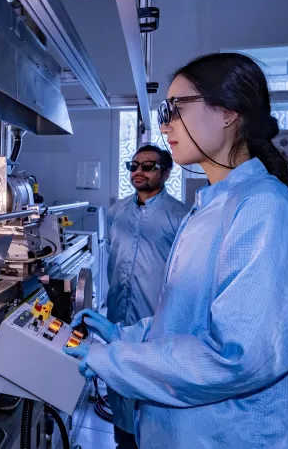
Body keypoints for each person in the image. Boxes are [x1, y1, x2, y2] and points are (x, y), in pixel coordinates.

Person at [65, 53, 288, 449]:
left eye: (176, 107)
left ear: (226, 112)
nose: (165, 122)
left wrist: (110, 359)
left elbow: (233, 357)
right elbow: (186, 322)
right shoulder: (213, 205)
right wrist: (123, 335)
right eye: (164, 110)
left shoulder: (261, 206)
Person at [105, 144, 189, 449]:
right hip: (117, 317)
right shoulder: (116, 211)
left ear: (166, 172)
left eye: (148, 166)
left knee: (149, 390)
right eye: (134, 165)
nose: (138, 172)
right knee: (120, 386)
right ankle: (122, 442)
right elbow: (111, 262)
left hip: (155, 320)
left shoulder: (180, 215)